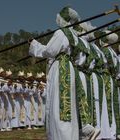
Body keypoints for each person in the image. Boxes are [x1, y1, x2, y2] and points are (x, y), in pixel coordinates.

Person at [28, 6, 99, 140]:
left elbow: (50, 51)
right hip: (70, 69)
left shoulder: (61, 33)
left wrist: (34, 45)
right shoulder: (75, 37)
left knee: (58, 106)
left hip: (60, 69)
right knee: (68, 107)